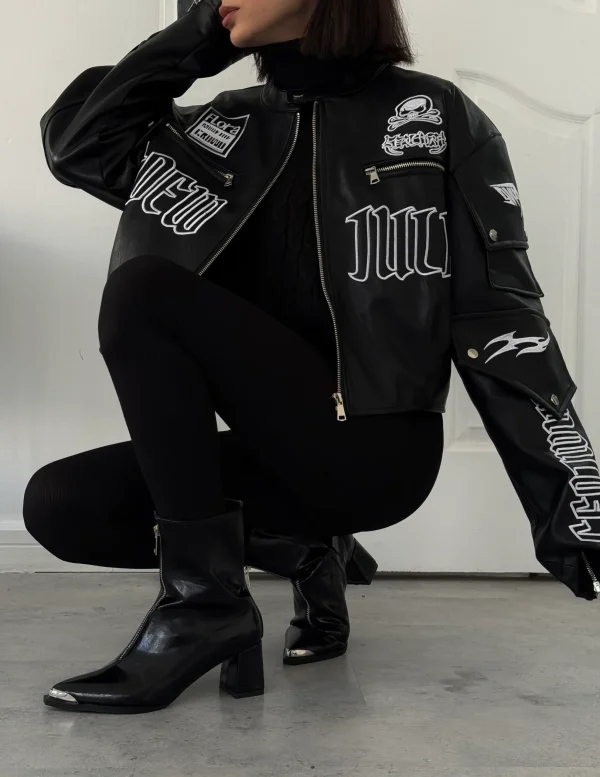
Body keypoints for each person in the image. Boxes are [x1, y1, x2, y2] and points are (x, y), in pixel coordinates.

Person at [24, 0, 600, 715]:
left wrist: (574, 499)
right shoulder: (218, 128)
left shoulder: (435, 116)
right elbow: (79, 144)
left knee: (145, 291)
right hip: (275, 444)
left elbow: (501, 317)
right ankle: (301, 552)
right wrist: (201, 35)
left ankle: (203, 609)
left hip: (375, 448)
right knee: (62, 506)